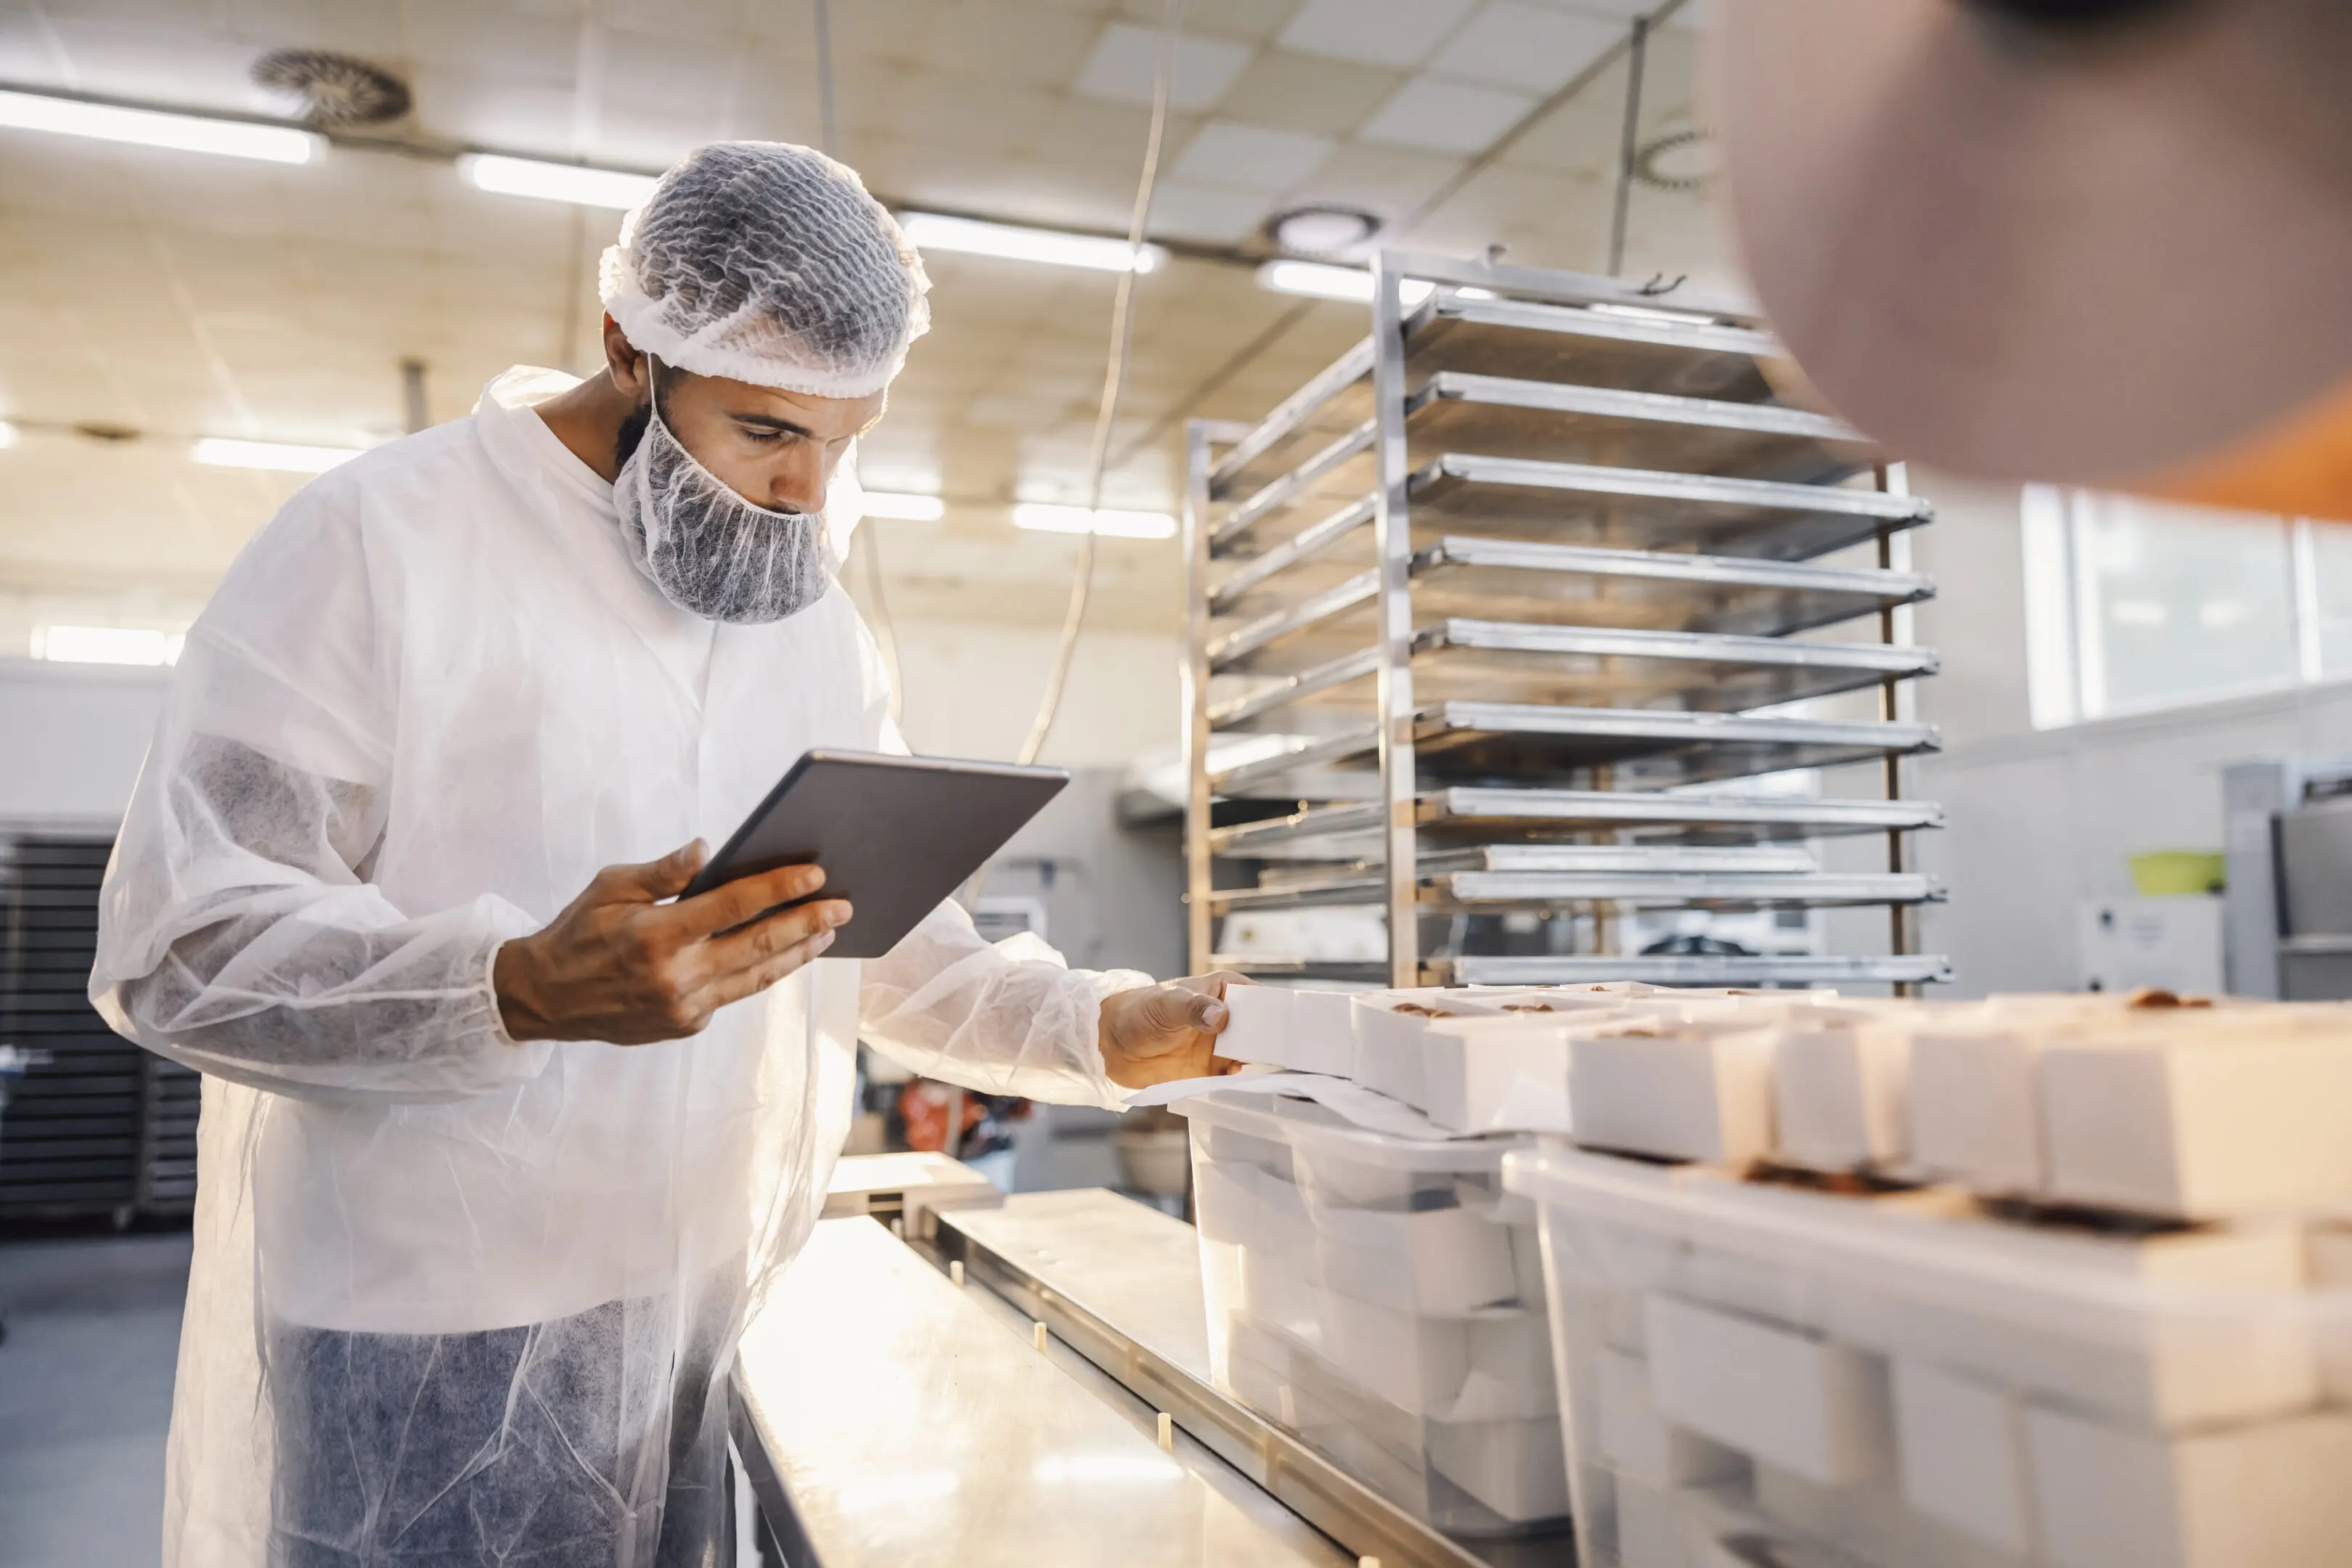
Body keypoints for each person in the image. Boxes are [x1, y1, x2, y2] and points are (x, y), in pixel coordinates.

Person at [91, 141, 1238, 1568]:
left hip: (698, 1307)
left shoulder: (807, 623)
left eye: (843, 439)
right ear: (629, 344)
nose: (807, 493)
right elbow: (179, 947)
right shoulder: (380, 541)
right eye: (767, 429)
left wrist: (1098, 1028)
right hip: (427, 1329)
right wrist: (513, 984)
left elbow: (858, 937)